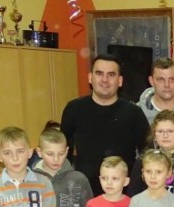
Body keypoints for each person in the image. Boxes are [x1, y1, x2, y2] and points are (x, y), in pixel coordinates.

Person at [61, 54, 150, 196]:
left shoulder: (134, 113)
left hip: (124, 195)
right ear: (90, 78)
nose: (104, 79)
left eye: (111, 75)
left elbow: (147, 155)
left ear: (120, 81)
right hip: (83, 193)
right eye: (99, 73)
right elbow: (63, 153)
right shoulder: (74, 109)